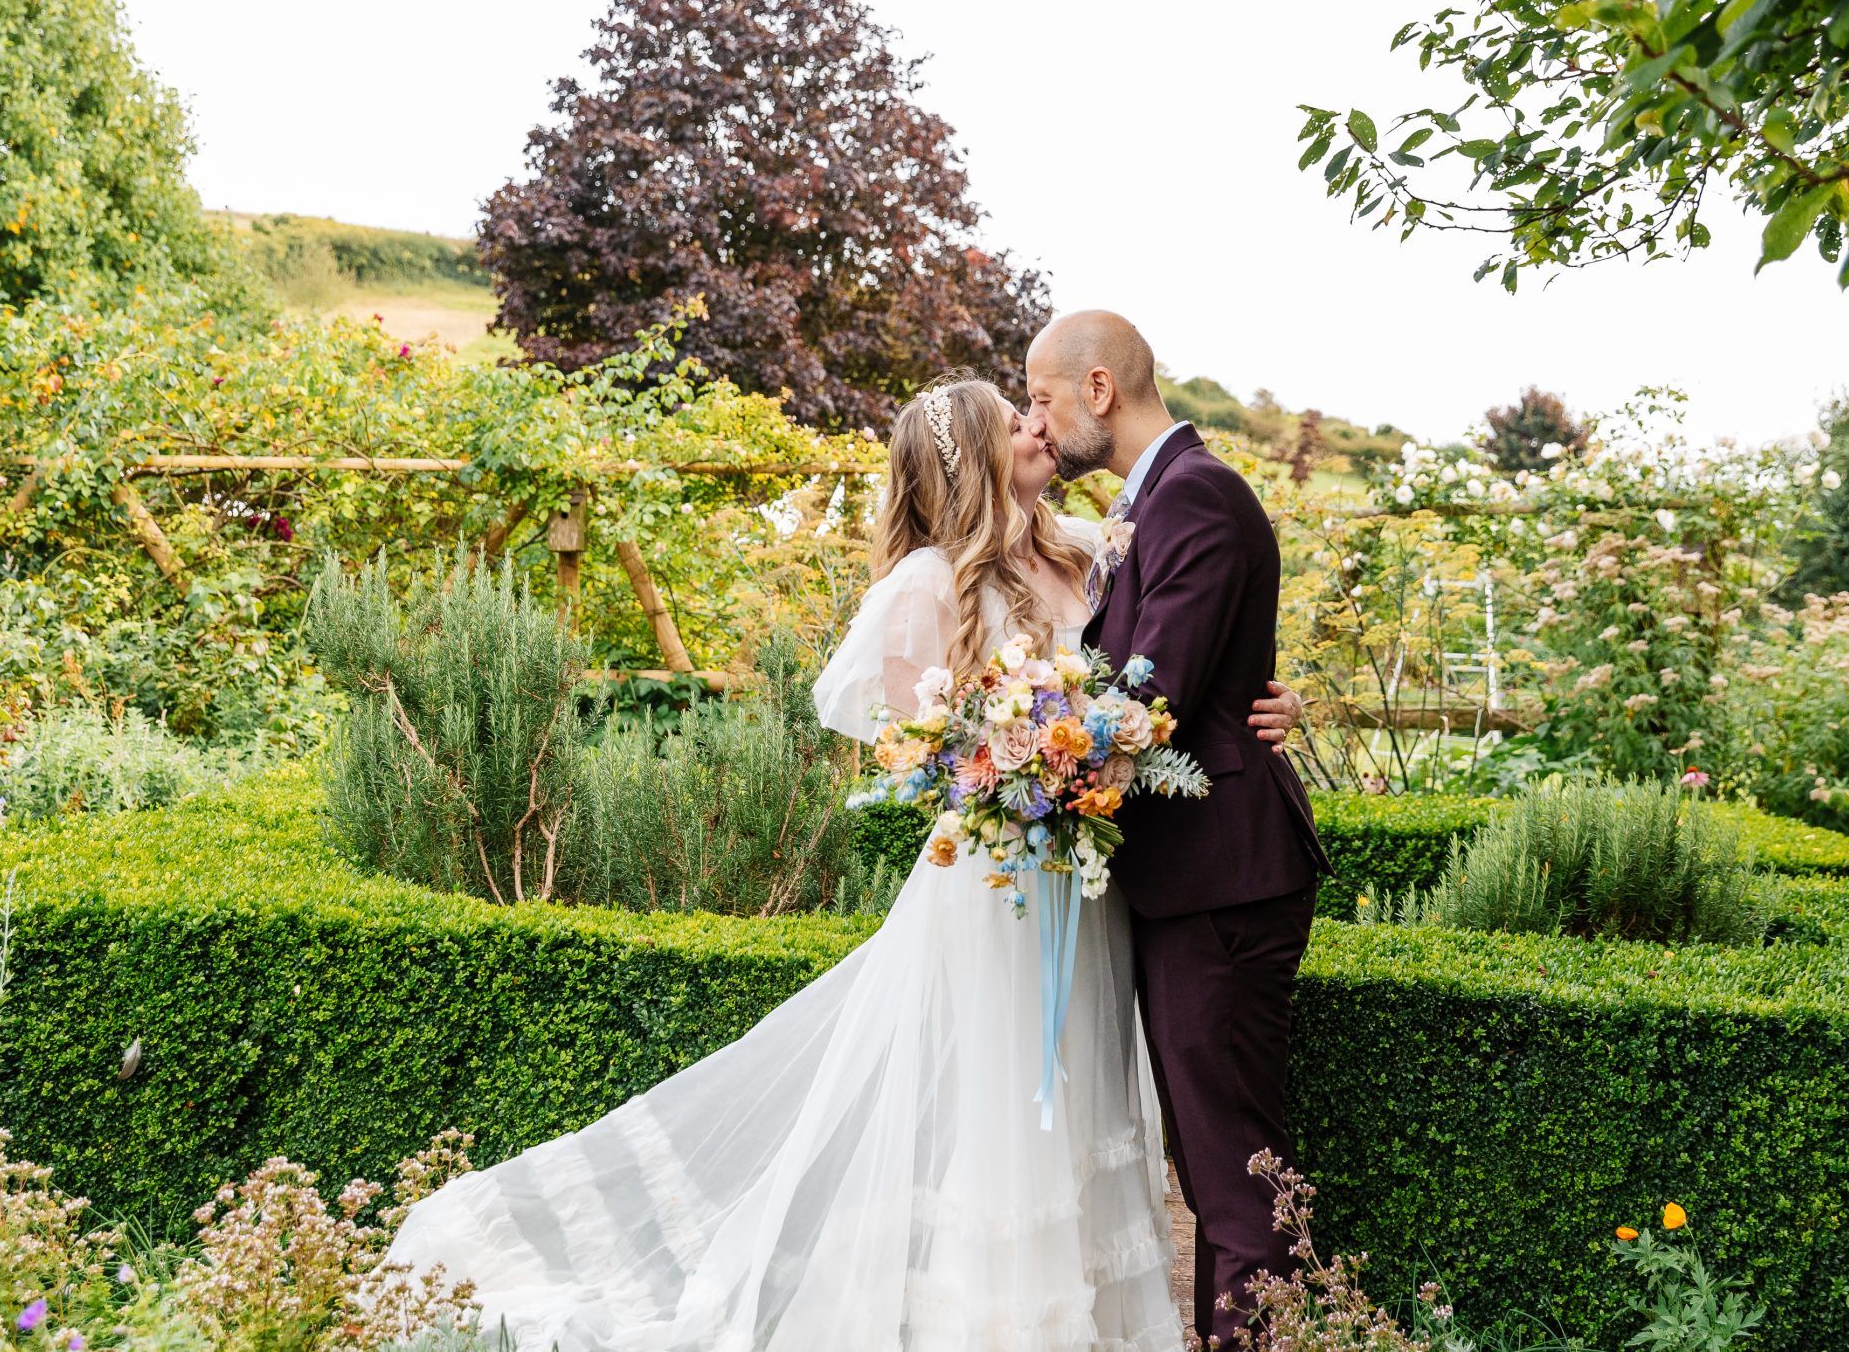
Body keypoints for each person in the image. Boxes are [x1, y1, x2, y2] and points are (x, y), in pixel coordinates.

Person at [387, 375, 1304, 1350]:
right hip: (999, 884)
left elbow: (1186, 655)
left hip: (1091, 885)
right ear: (972, 463)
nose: (1037, 429)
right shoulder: (926, 585)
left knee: (1077, 1106)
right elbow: (905, 739)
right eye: (1014, 422)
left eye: (1034, 413)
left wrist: (1272, 703)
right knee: (1000, 1113)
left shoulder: (1087, 552)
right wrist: (1008, 769)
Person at [1025, 311, 1332, 1350]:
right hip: (1192, 875)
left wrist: (1018, 746)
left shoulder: (1194, 496)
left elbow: (1150, 693)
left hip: (1222, 878)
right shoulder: (1150, 502)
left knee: (1231, 1164)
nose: (1038, 418)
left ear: (1097, 389)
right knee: (1211, 1163)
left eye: (1041, 398)